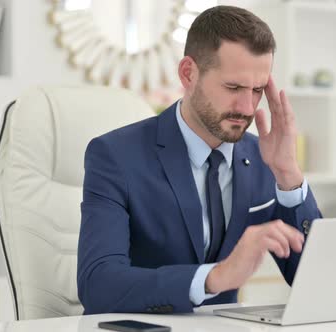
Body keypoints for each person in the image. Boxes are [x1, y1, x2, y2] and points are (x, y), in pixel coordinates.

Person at [77, 5, 322, 314]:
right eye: (233, 87)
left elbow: (316, 282)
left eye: (257, 90)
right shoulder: (115, 156)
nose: (247, 108)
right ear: (188, 73)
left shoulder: (264, 158)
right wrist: (214, 277)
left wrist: (289, 176)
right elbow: (98, 286)